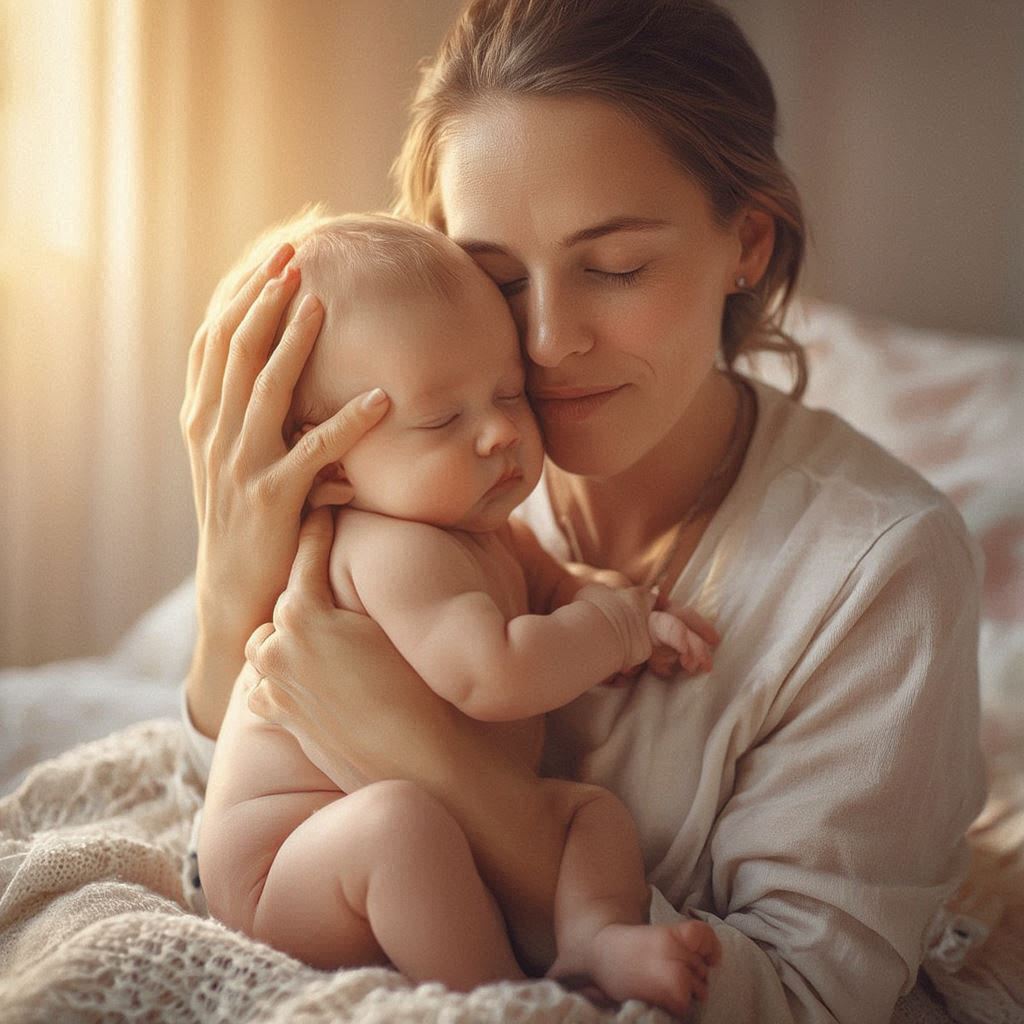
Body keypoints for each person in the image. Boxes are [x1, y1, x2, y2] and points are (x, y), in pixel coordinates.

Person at [179, 1, 987, 1021]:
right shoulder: (420, 477)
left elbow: (805, 1001)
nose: (549, 339)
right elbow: (233, 824)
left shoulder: (881, 571)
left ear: (745, 242)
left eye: (613, 268)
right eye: (495, 277)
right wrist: (226, 593)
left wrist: (442, 773)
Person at [197, 210, 722, 1013]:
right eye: (443, 418)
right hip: (289, 867)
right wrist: (611, 628)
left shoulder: (484, 531)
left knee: (589, 815)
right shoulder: (388, 548)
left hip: (432, 830)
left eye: (509, 391)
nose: (500, 434)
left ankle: (597, 936)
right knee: (396, 827)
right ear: (328, 462)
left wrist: (613, 604)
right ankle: (503, 999)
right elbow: (492, 676)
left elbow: (554, 588)